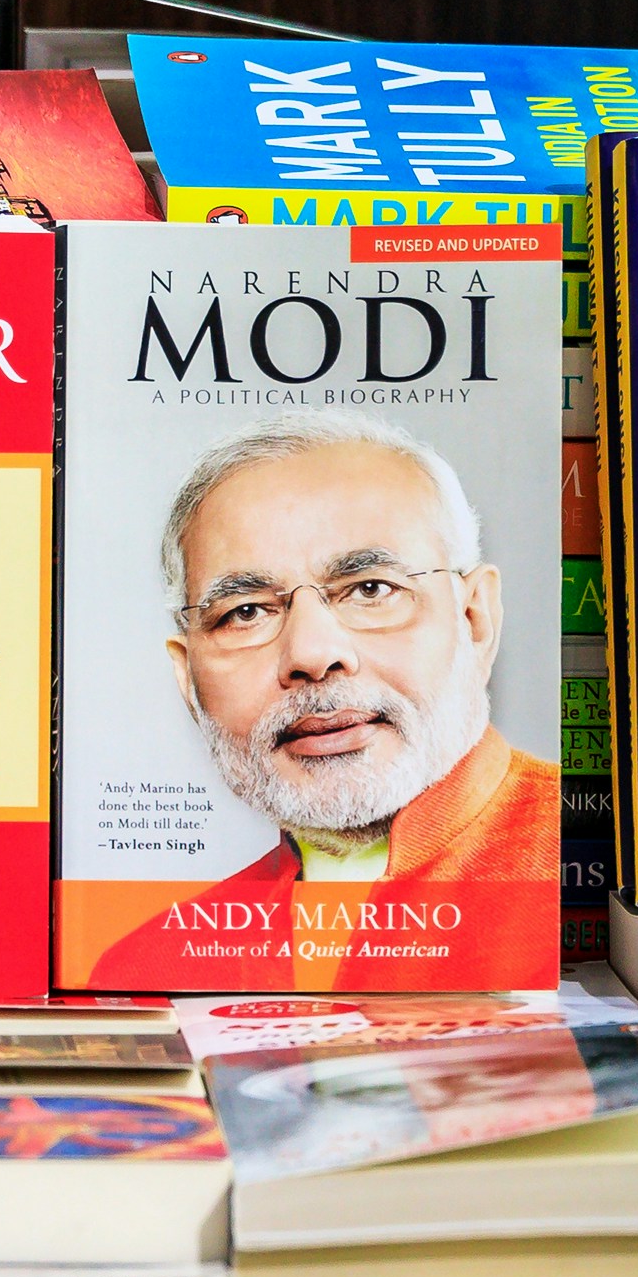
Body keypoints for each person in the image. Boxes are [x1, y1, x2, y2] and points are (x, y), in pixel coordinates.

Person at [88, 415, 556, 987]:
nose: (311, 653)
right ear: (189, 678)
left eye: (371, 589)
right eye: (246, 612)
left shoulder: (575, 882)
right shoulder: (150, 968)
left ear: (475, 619)